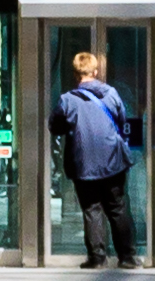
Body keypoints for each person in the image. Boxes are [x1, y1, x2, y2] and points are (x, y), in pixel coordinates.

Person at [53, 46, 146, 268]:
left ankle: (97, 258)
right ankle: (127, 257)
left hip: (83, 165)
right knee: (118, 208)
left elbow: (54, 126)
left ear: (76, 74)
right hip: (113, 161)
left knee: (92, 210)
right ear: (95, 72)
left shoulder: (67, 100)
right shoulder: (111, 94)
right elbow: (122, 119)